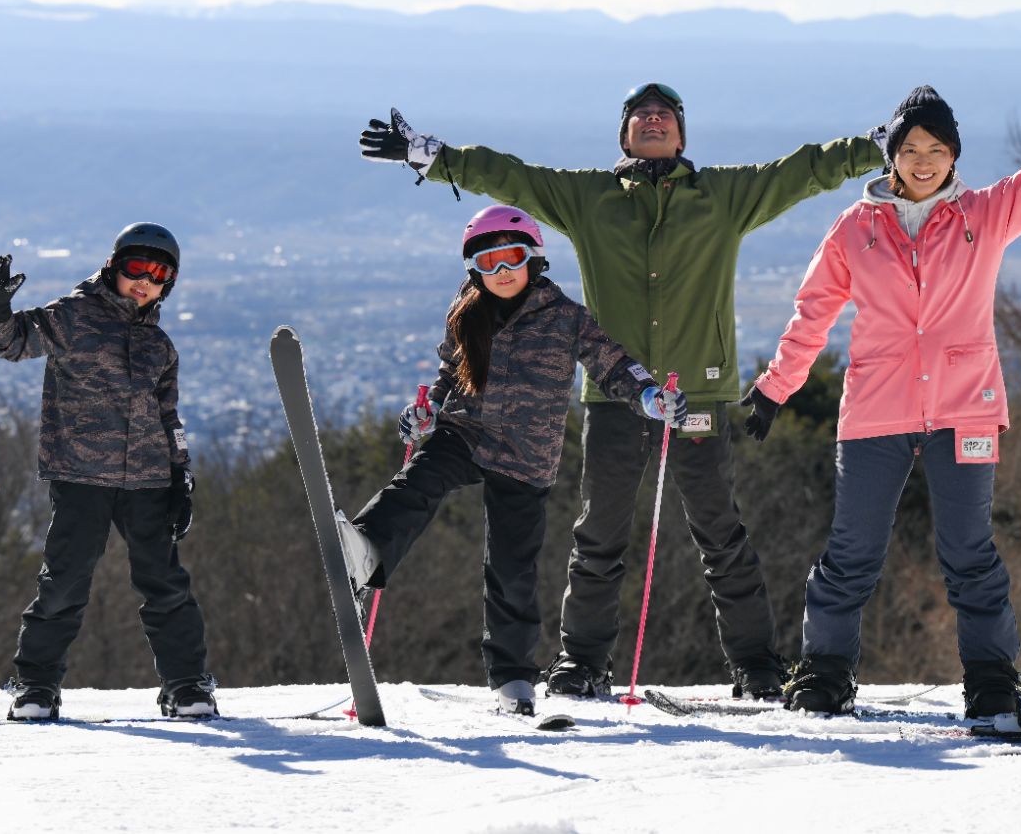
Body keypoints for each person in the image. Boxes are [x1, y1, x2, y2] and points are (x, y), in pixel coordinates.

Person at [358, 84, 884, 700]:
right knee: (599, 536)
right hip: (613, 401)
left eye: (664, 114)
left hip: (703, 396)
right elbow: (513, 178)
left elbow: (803, 171)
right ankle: (581, 662)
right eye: (640, 115)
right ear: (624, 135)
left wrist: (876, 147)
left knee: (721, 534)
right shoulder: (591, 199)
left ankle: (757, 666)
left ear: (682, 134)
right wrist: (433, 155)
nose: (653, 119)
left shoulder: (725, 196)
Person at [744, 76, 1021, 720]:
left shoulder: (986, 213)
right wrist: (776, 386)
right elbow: (813, 313)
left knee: (969, 552)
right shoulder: (854, 229)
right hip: (876, 408)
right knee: (852, 549)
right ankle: (825, 671)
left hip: (965, 410)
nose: (923, 161)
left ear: (954, 156)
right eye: (911, 149)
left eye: (936, 149)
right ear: (891, 155)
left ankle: (990, 677)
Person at [334, 205, 686, 715]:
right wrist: (427, 411)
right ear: (472, 268)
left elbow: (612, 364)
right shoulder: (466, 309)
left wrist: (651, 397)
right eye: (487, 261)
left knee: (511, 566)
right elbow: (449, 373)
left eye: (511, 259)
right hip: (465, 430)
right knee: (418, 481)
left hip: (526, 452)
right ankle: (367, 547)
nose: (500, 273)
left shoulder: (565, 317)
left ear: (534, 259)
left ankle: (512, 678)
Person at [0, 223, 215, 721]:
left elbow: (169, 418)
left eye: (160, 274)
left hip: (147, 480)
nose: (145, 281)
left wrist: (181, 477)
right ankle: (36, 687)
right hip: (81, 475)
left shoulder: (159, 346)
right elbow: (13, 342)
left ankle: (187, 686)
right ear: (113, 266)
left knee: (165, 583)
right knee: (64, 581)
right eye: (136, 268)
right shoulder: (74, 316)